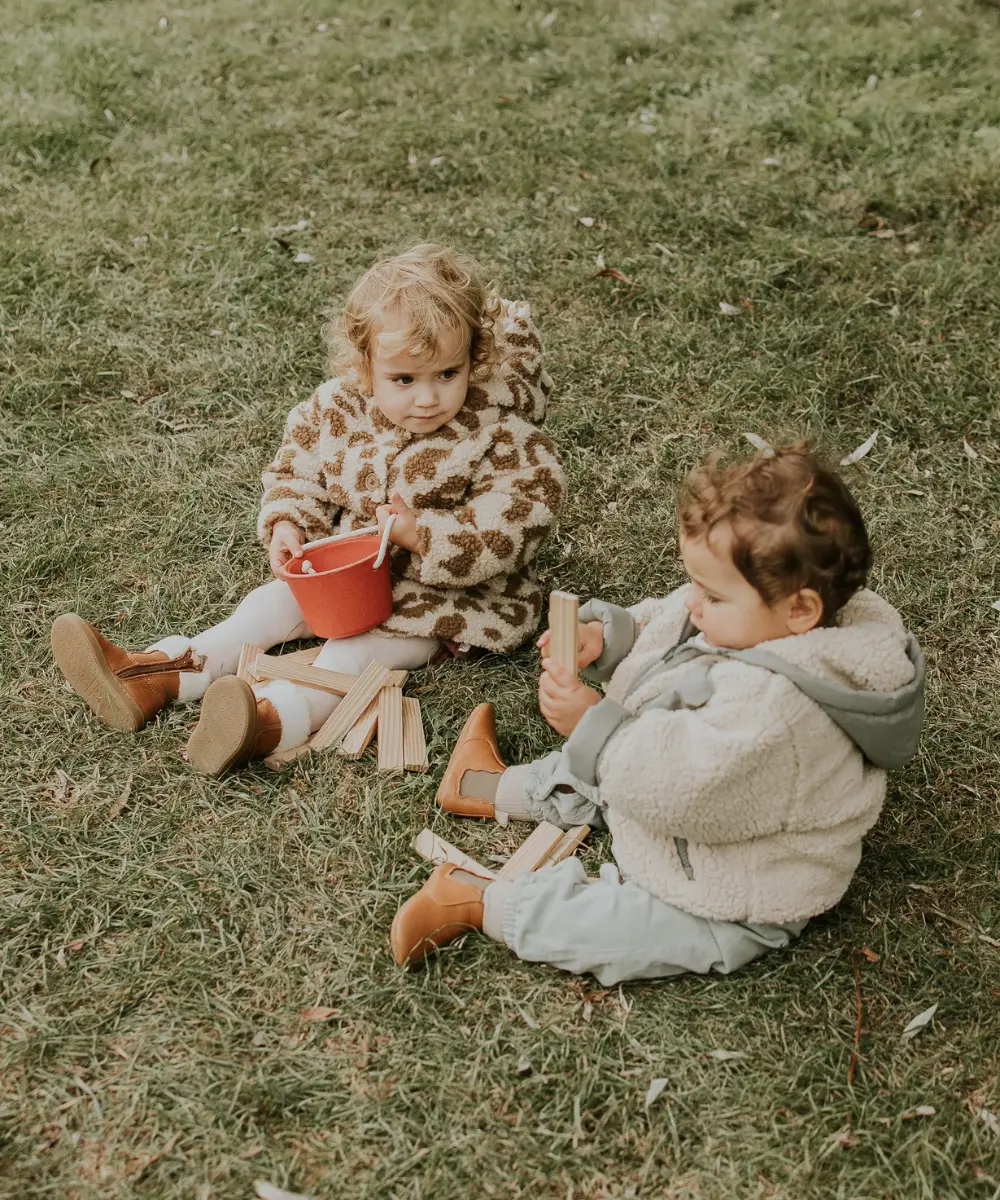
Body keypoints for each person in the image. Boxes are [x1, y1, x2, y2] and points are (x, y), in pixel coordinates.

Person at [390, 446, 924, 986]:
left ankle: (482, 900)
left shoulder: (780, 715)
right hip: (667, 799)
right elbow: (665, 624)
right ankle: (486, 785)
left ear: (801, 610)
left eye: (711, 595)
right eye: (694, 583)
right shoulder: (749, 614)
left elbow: (685, 790)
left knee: (626, 929)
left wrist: (594, 727)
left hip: (735, 883)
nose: (693, 602)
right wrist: (607, 640)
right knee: (606, 758)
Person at [51, 244, 566, 773]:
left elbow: (518, 520)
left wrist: (426, 536)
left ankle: (266, 723)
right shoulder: (338, 409)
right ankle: (157, 676)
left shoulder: (503, 436)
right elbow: (298, 470)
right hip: (347, 576)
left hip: (441, 605)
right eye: (404, 380)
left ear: (473, 360)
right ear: (365, 366)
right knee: (266, 608)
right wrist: (289, 522)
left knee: (351, 657)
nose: (427, 398)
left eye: (447, 374)